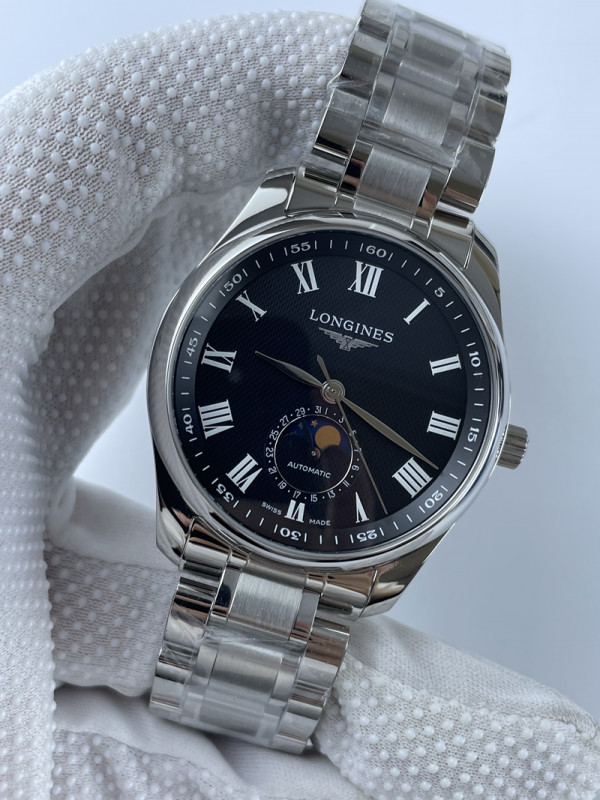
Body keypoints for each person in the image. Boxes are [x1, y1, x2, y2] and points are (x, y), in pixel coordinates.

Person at [1, 8, 599, 798]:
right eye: (323, 383)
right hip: (225, 516)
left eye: (337, 392)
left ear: (493, 440)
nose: (332, 393)